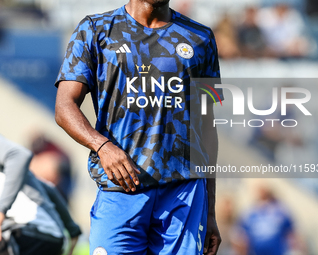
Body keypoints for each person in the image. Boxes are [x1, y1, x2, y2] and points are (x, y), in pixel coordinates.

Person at [54, 0, 222, 254]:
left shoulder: (201, 37)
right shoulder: (94, 30)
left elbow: (208, 126)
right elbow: (64, 107)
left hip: (184, 192)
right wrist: (102, 146)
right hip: (121, 187)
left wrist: (210, 210)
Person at [0, 135, 81, 255]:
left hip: (28, 230)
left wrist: (1, 211)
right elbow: (48, 188)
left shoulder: (11, 159)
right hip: (51, 236)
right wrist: (73, 229)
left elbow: (20, 155)